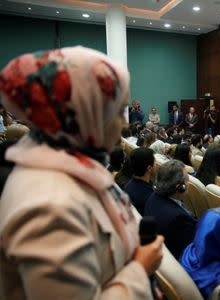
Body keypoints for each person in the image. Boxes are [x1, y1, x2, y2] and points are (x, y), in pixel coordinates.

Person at [0, 46, 163, 299]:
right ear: (85, 114)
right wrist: (140, 272)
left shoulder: (77, 166)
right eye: (119, 111)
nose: (126, 123)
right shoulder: (48, 206)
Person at [144, 160, 197, 259]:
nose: (189, 183)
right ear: (180, 187)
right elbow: (193, 251)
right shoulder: (179, 218)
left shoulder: (153, 196)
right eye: (187, 180)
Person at [124, 148, 155, 215]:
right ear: (149, 168)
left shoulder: (128, 183)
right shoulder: (150, 196)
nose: (155, 165)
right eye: (155, 162)